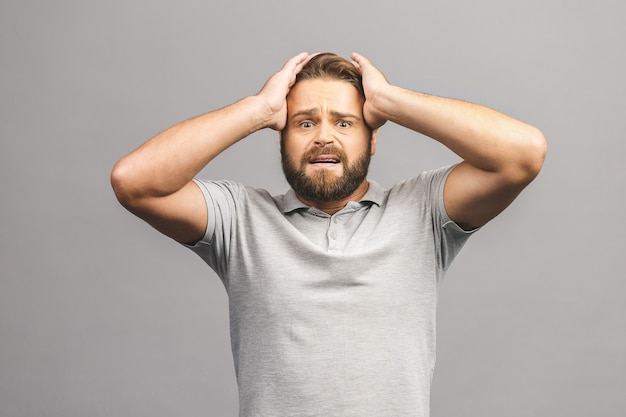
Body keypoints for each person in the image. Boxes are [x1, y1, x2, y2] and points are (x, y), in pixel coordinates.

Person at [111, 52, 546, 417]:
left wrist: (390, 100)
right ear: (279, 136)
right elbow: (134, 181)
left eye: (344, 123)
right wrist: (257, 110)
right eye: (304, 123)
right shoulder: (240, 219)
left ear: (372, 138)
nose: (323, 138)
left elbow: (523, 154)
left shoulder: (423, 211)